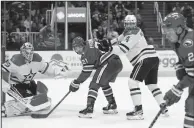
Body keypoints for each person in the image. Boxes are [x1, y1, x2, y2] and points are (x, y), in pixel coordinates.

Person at [98, 15, 169, 120]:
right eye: (128, 23)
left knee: (132, 82)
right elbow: (118, 39)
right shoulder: (132, 31)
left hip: (144, 59)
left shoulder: (132, 34)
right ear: (125, 24)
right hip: (153, 58)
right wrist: (108, 43)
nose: (130, 26)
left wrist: (108, 48)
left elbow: (123, 49)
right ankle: (163, 106)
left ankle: (138, 111)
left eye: (131, 23)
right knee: (152, 85)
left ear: (135, 24)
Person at [1, 42, 69, 117]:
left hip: (29, 83)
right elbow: (3, 70)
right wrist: (4, 82)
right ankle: (4, 109)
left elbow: (46, 69)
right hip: (15, 85)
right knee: (29, 102)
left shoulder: (37, 59)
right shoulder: (16, 60)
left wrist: (57, 72)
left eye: (31, 52)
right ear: (22, 52)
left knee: (42, 101)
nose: (29, 55)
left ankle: (24, 106)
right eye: (26, 52)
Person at [69, 37, 123, 118]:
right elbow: (98, 41)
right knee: (104, 83)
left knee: (94, 84)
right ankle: (112, 105)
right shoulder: (89, 43)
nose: (77, 50)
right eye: (75, 48)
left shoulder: (86, 54)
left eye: (78, 47)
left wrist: (77, 82)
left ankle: (89, 108)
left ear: (82, 45)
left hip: (108, 62)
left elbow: (86, 72)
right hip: (117, 62)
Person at [162, 12, 194, 128]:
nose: (166, 34)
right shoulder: (176, 40)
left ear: (179, 30)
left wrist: (178, 89)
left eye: (168, 30)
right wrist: (180, 65)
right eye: (165, 30)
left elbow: (192, 77)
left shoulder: (189, 43)